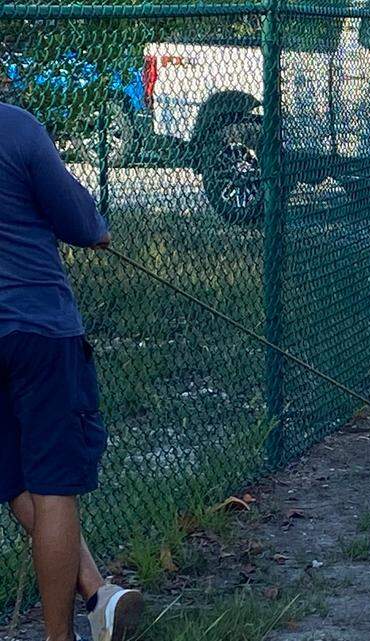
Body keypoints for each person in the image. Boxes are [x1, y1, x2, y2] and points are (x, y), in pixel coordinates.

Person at [1, 103, 143, 639]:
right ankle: (61, 635)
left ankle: (97, 595)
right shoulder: (15, 126)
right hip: (40, 330)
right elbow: (81, 222)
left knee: (13, 477)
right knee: (53, 485)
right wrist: (97, 231)